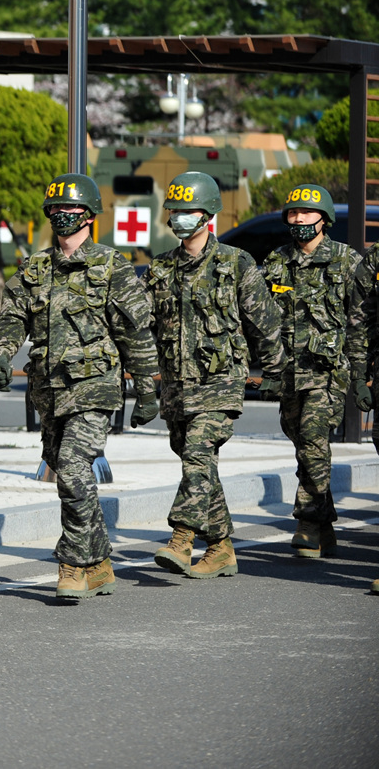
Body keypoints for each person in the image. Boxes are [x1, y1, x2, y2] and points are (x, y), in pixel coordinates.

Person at [0, 173, 158, 600]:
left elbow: (134, 331)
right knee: (68, 473)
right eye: (57, 209)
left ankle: (71, 562)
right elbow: (11, 320)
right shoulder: (34, 268)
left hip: (95, 386)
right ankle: (99, 562)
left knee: (71, 466)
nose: (64, 216)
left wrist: (147, 387)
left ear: (89, 216)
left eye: (72, 209)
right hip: (48, 390)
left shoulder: (112, 267)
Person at [147, 172, 284, 578]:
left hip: (220, 381)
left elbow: (266, 322)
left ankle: (182, 539)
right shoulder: (160, 269)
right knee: (199, 463)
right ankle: (222, 546)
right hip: (176, 386)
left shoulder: (236, 263)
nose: (179, 218)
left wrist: (275, 372)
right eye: (174, 211)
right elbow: (141, 323)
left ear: (207, 215)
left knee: (197, 453)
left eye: (187, 211)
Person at [263, 184, 366, 559]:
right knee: (304, 446)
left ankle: (306, 522)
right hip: (289, 374)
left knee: (312, 440)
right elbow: (264, 321)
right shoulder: (276, 261)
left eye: (307, 213)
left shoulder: (346, 261)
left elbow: (361, 319)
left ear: (324, 218)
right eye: (292, 213)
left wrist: (360, 370)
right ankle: (325, 525)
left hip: (328, 372)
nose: (299, 219)